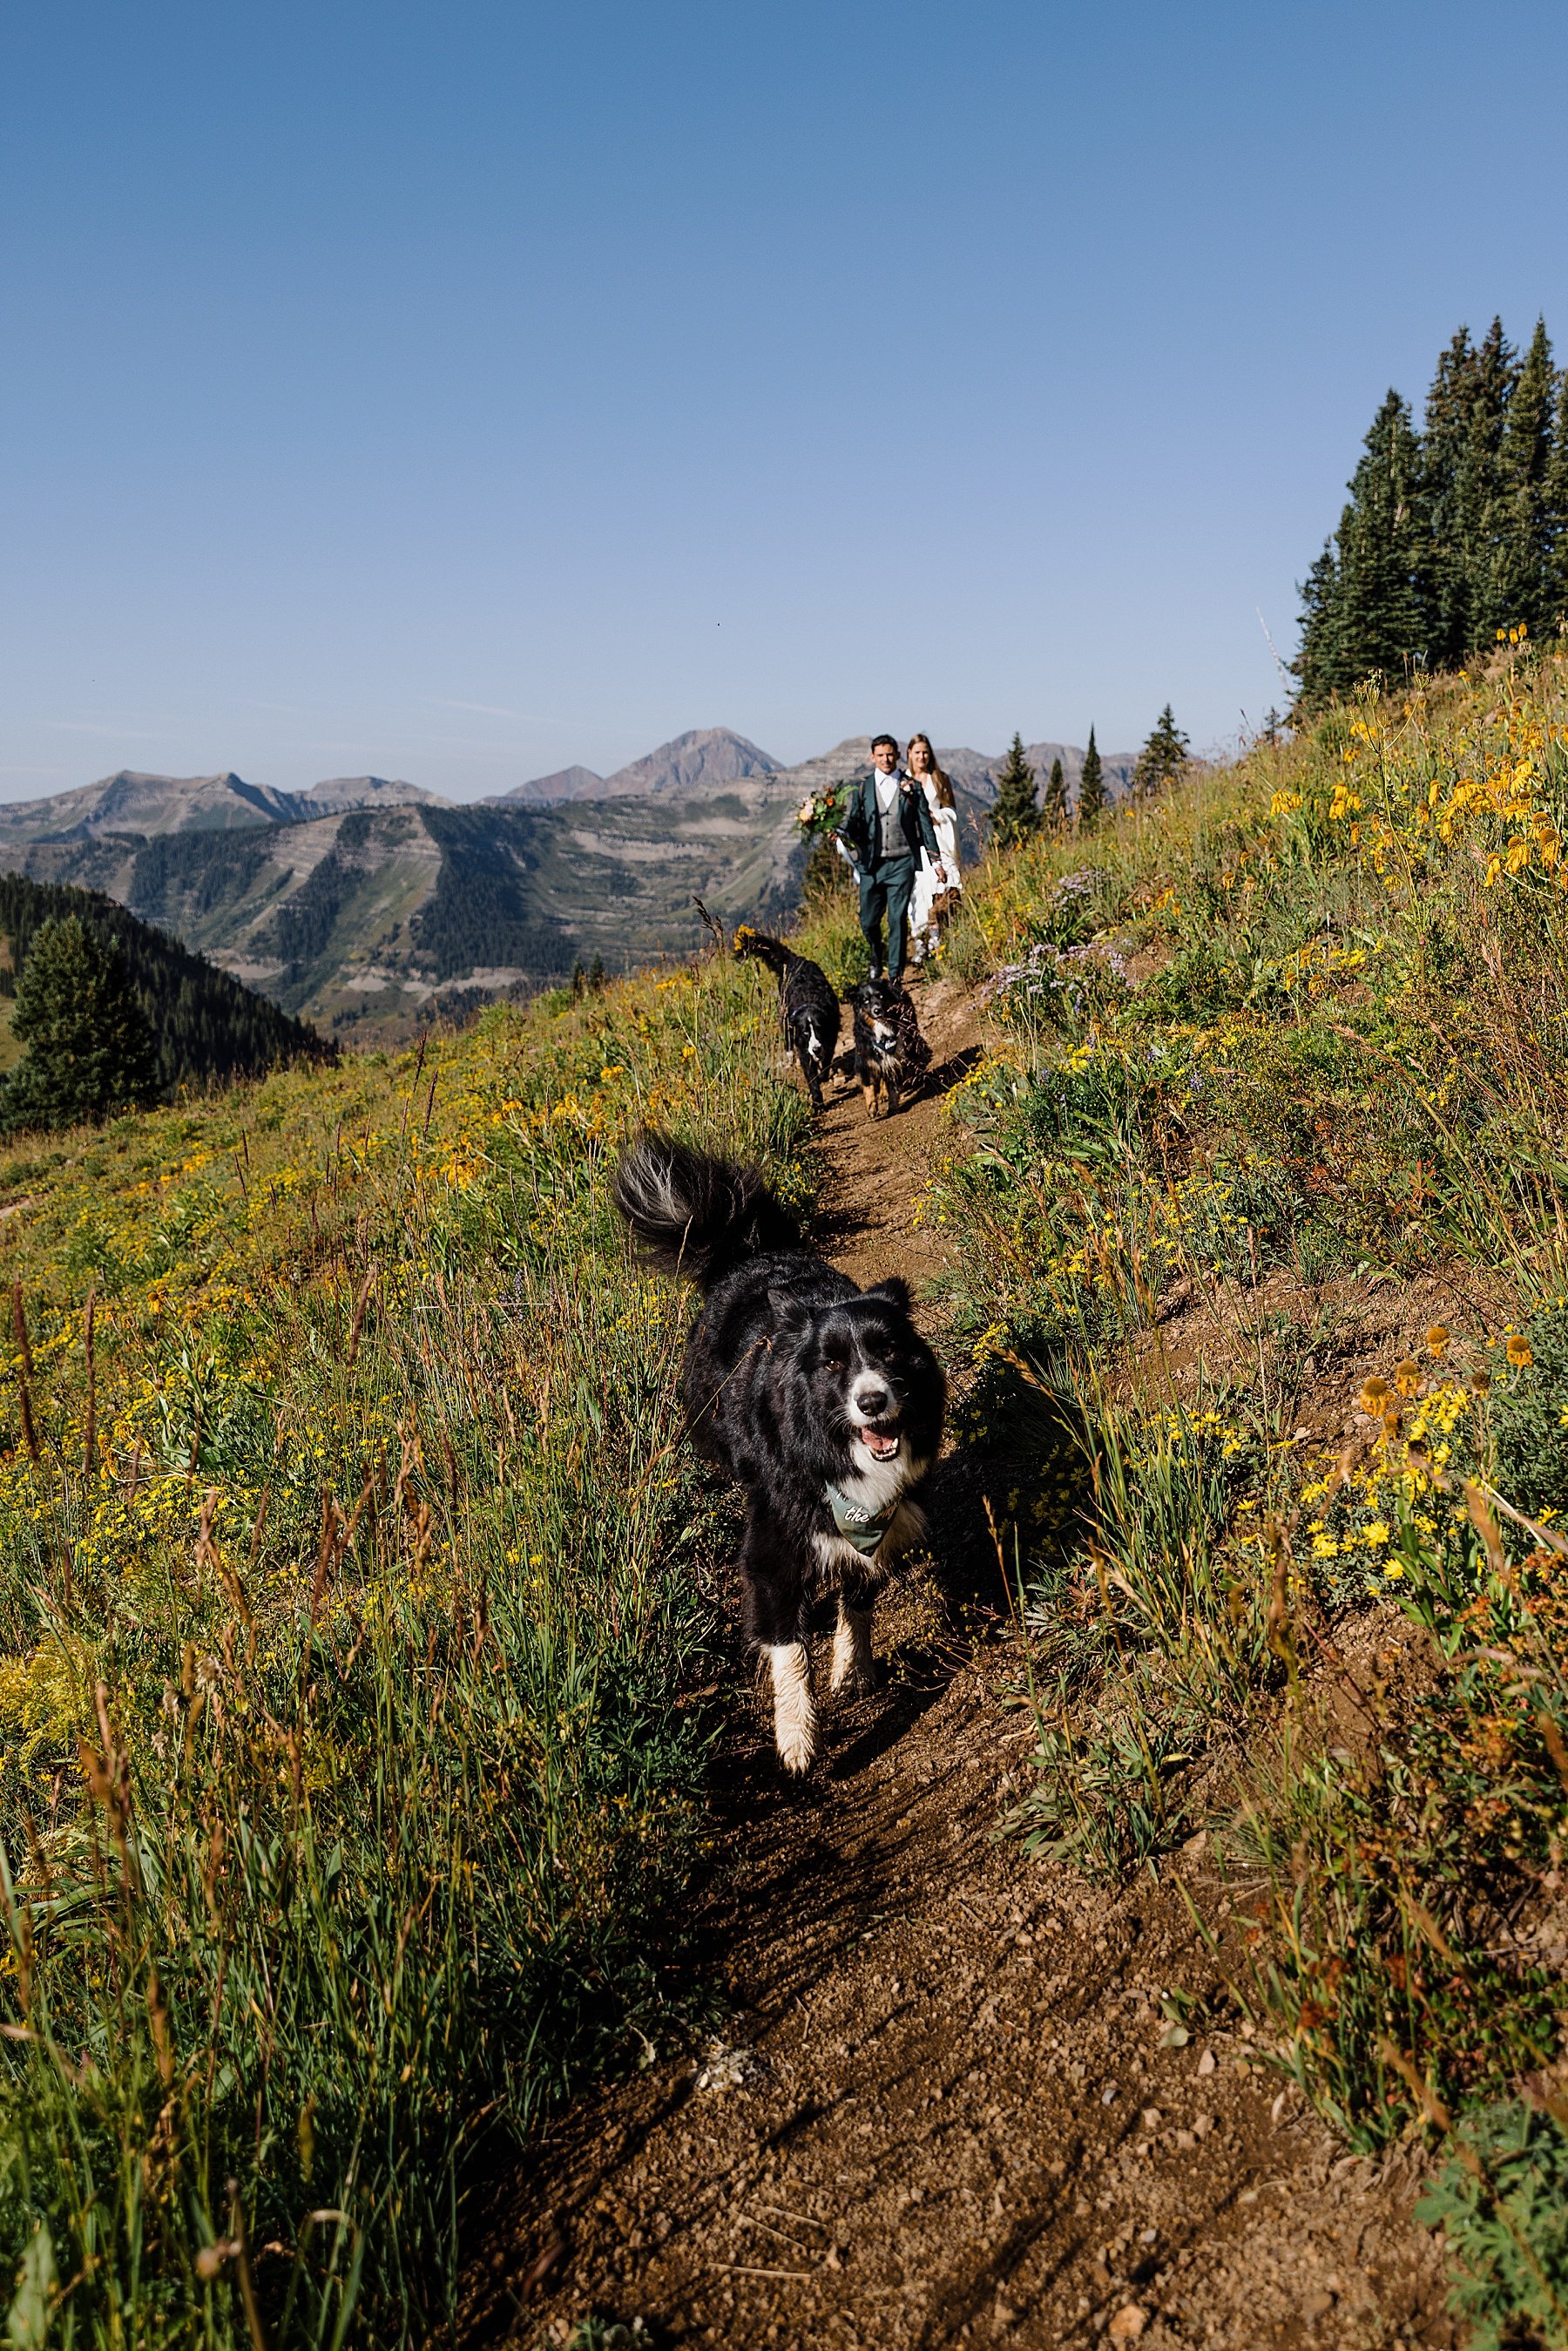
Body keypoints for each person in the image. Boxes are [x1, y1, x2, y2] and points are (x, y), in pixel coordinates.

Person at [835, 734, 942, 986]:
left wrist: (935, 861)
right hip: (871, 865)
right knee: (868, 921)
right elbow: (854, 822)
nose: (886, 759)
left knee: (896, 918)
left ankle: (895, 976)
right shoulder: (862, 788)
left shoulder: (912, 787)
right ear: (872, 757)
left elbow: (925, 826)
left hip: (902, 862)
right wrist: (839, 833)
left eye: (890, 754)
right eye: (880, 755)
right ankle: (876, 956)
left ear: (897, 755)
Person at [905, 732, 961, 967]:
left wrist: (936, 816)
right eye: (917, 752)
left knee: (944, 884)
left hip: (938, 839)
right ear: (910, 754)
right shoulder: (904, 780)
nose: (922, 756)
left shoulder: (939, 779)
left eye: (925, 752)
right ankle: (920, 939)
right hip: (915, 842)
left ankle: (939, 936)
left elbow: (951, 810)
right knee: (919, 889)